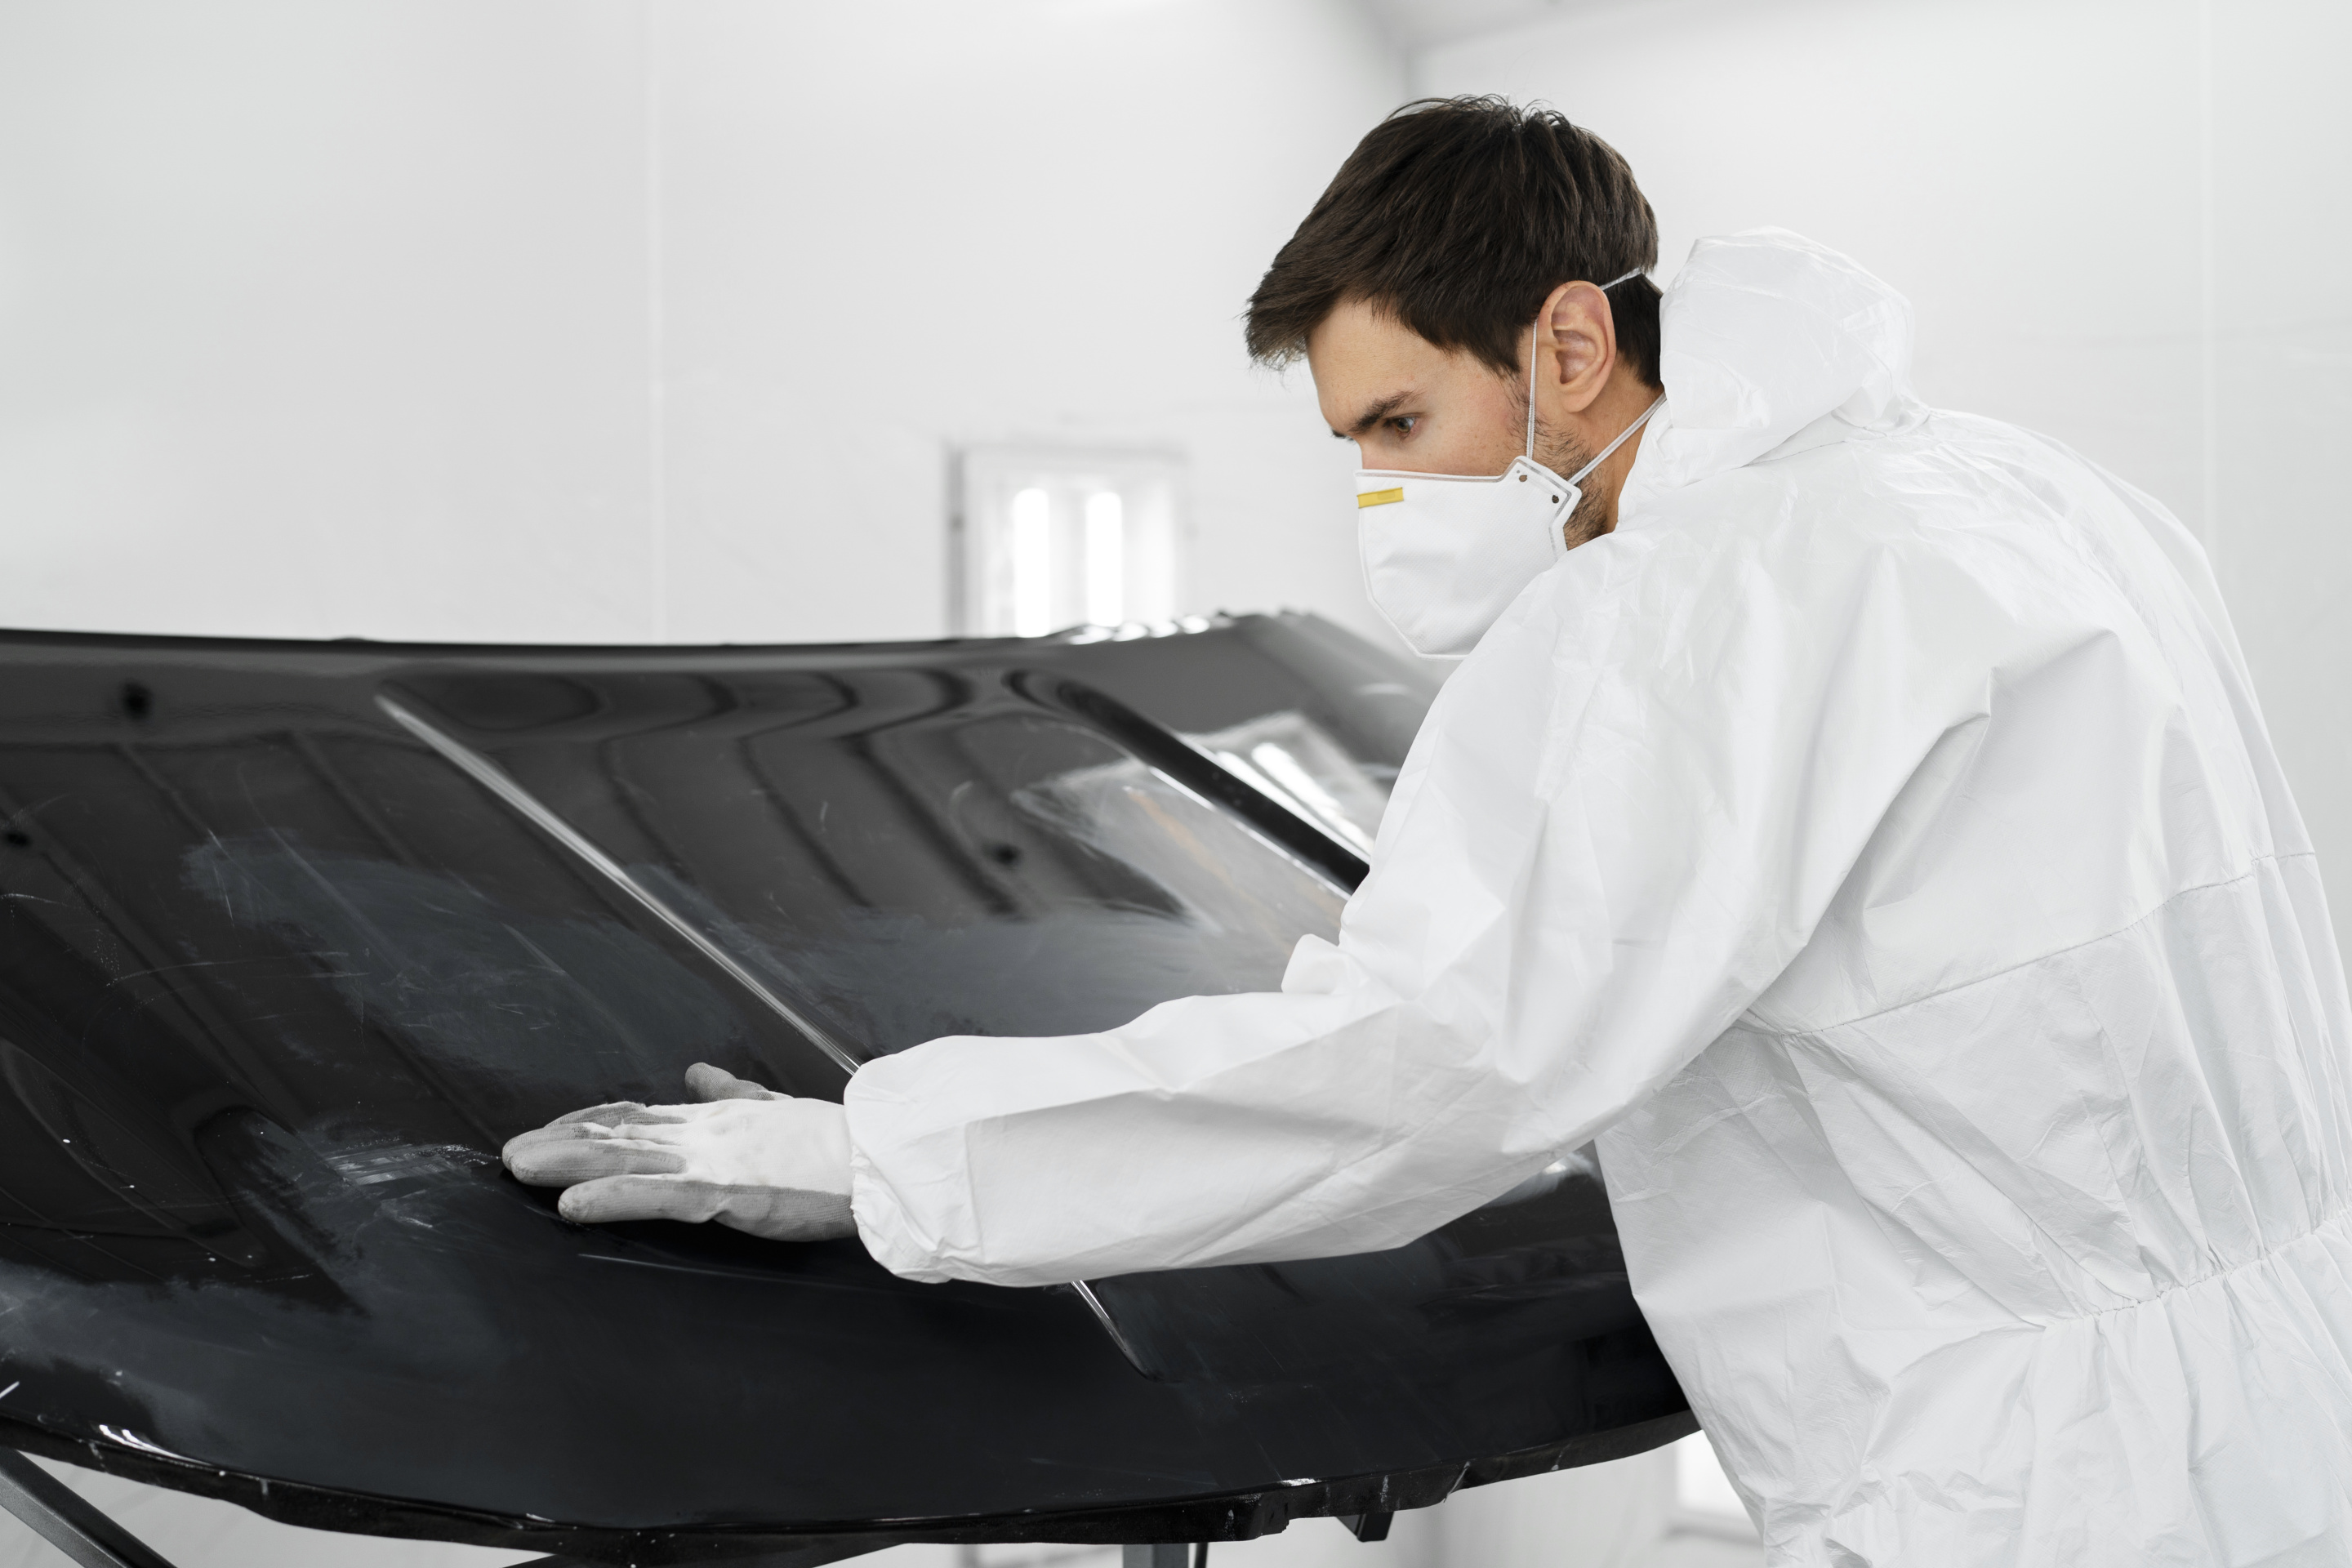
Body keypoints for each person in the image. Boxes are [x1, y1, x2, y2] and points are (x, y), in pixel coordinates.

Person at [505, 98, 2352, 1565]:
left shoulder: (1688, 605)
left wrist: (861, 1152)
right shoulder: (2013, 490)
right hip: (2280, 1403)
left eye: (1403, 418)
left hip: (2027, 1483)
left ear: (1570, 341)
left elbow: (1432, 1055)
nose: (1387, 494)